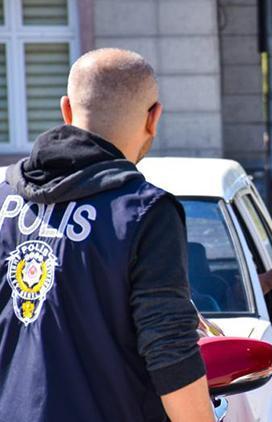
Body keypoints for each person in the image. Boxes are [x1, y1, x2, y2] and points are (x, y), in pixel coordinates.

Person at [0, 49, 213, 422]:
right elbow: (169, 348)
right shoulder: (144, 212)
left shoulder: (3, 197)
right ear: (154, 118)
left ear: (66, 110)